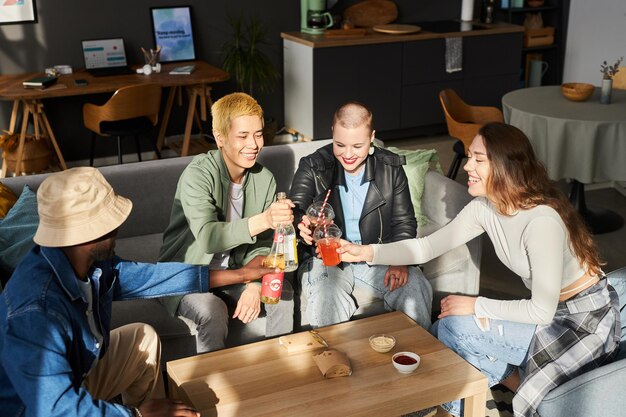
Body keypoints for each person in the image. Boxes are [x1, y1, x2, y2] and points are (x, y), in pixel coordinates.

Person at [338, 122, 621, 417]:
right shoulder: (484, 208)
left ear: (505, 167)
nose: (466, 166)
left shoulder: (541, 222)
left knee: (453, 329)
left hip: (580, 320)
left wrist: (476, 305)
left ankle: (448, 408)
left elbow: (542, 312)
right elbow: (426, 247)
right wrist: (366, 252)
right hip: (550, 312)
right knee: (446, 332)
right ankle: (508, 391)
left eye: (478, 159)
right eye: (470, 157)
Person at [0, 167, 274, 416]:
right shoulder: (37, 309)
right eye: (111, 222)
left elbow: (150, 277)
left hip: (75, 376)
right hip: (35, 410)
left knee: (143, 338)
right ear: (85, 235)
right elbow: (55, 409)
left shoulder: (90, 264)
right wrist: (139, 415)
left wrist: (240, 274)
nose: (119, 228)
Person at [158, 92, 295, 353]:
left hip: (234, 270)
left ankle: (281, 372)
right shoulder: (198, 175)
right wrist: (265, 219)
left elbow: (264, 247)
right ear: (220, 138)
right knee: (212, 310)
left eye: (258, 134)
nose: (253, 144)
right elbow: (209, 237)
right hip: (188, 273)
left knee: (281, 293)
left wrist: (255, 285)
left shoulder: (264, 178)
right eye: (243, 136)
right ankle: (211, 388)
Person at [289, 101, 433, 329]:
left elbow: (404, 222)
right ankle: (337, 363)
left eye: (357, 146)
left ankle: (416, 357)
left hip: (374, 255)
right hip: (325, 258)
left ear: (372, 138)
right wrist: (301, 224)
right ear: (332, 134)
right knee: (327, 300)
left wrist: (399, 259)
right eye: (340, 144)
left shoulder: (391, 168)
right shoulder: (313, 165)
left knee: (414, 284)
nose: (347, 155)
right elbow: (296, 209)